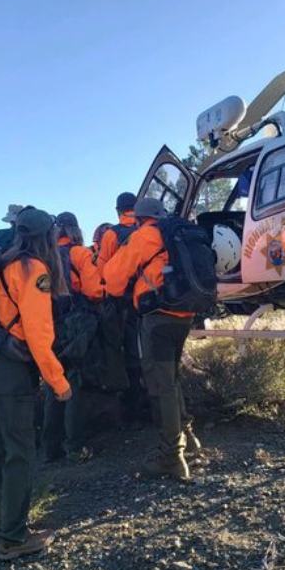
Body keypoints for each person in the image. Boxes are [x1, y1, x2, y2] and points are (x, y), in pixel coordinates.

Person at [0, 207, 70, 561]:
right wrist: (58, 381)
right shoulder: (33, 270)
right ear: (45, 237)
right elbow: (38, 335)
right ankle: (12, 538)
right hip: (10, 371)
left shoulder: (0, 263)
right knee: (20, 450)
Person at [101, 197, 200, 481]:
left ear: (140, 218)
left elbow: (114, 276)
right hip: (185, 314)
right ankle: (188, 436)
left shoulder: (145, 235)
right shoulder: (177, 233)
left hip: (157, 317)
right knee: (172, 377)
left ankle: (172, 456)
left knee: (161, 383)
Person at [38, 212, 100, 463]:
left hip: (48, 326)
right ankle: (75, 445)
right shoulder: (80, 254)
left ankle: (51, 447)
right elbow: (94, 290)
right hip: (75, 326)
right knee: (73, 381)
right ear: (74, 229)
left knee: (54, 383)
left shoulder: (42, 259)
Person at [97, 192, 148, 425]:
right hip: (149, 301)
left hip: (122, 303)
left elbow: (102, 271)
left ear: (118, 211)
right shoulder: (147, 232)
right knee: (147, 350)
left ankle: (131, 410)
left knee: (125, 353)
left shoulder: (111, 235)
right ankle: (152, 403)